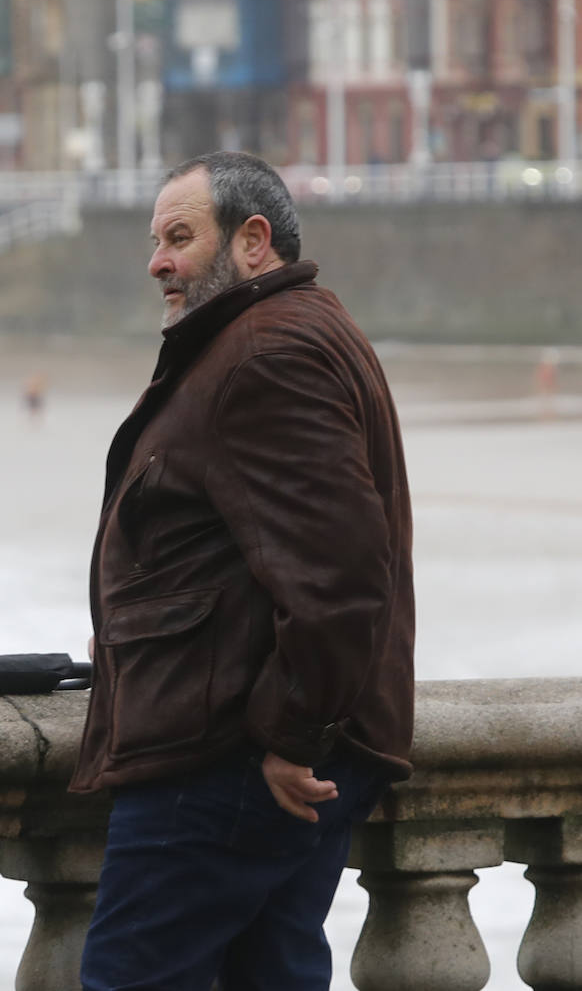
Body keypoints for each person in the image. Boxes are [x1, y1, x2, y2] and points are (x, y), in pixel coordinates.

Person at [71, 152, 414, 991]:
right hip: (254, 752)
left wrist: (294, 735)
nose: (157, 261)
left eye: (179, 237)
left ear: (254, 241)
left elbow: (338, 573)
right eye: (156, 240)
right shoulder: (293, 331)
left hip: (224, 760)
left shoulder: (265, 354)